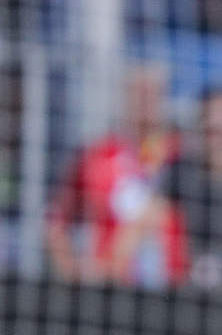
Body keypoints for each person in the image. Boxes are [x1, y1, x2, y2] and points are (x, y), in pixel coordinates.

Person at [114, 86, 222, 289]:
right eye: (211, 131)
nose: (218, 141)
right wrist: (112, 270)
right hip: (196, 298)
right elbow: (138, 228)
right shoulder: (182, 170)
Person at [46, 65, 178, 283]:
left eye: (153, 93)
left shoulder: (179, 157)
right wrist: (72, 271)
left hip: (169, 291)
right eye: (138, 92)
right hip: (110, 288)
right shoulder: (97, 156)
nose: (145, 101)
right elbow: (56, 221)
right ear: (124, 97)